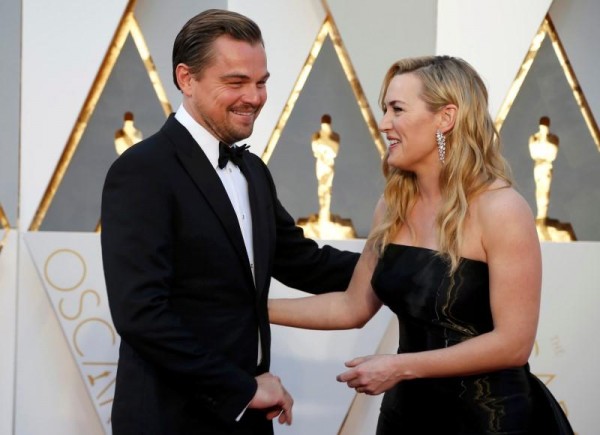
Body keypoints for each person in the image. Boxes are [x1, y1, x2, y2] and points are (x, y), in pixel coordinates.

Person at [270, 56, 573, 434]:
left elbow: (513, 344)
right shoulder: (392, 206)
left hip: (489, 419)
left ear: (445, 117)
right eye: (385, 109)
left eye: (397, 109)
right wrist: (248, 308)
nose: (384, 124)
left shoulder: (502, 209)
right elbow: (351, 307)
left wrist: (399, 366)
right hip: (407, 416)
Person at [100, 9, 358, 435]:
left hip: (248, 417)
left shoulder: (253, 171)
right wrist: (240, 389)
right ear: (186, 78)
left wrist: (409, 262)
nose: (254, 97)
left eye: (261, 83)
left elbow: (303, 262)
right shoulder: (143, 171)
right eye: (236, 82)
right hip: (170, 419)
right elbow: (141, 314)